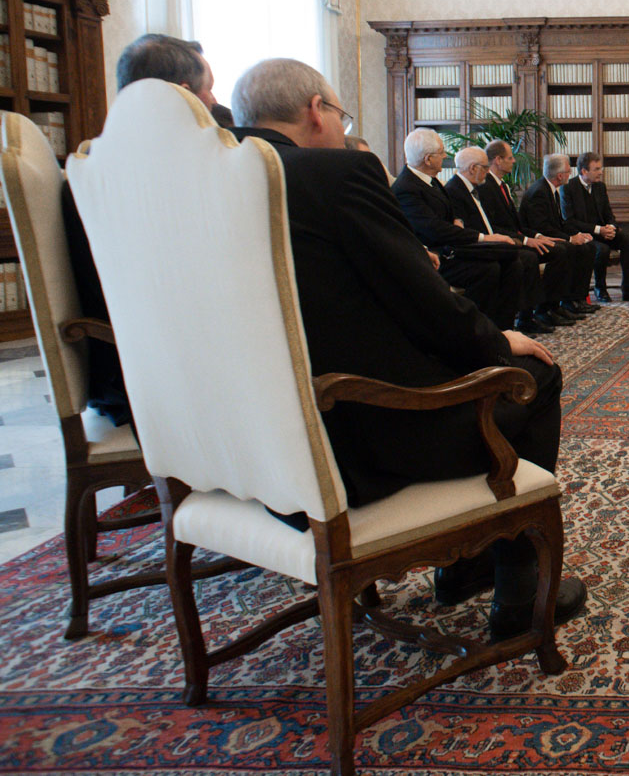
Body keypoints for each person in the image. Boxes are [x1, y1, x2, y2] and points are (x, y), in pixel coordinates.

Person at [230, 57, 585, 635]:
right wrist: (497, 342)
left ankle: (466, 567)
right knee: (530, 377)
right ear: (316, 112)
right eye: (341, 115)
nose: (342, 129)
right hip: (360, 438)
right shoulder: (332, 173)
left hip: (260, 447)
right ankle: (518, 588)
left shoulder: (209, 182)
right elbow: (424, 300)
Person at [64, 34, 219, 430]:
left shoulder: (91, 168)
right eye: (209, 91)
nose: (215, 104)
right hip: (157, 384)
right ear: (181, 96)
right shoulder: (170, 180)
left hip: (118, 368)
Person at [390, 128, 528, 331]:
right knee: (488, 269)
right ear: (428, 159)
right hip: (433, 256)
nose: (446, 156)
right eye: (441, 152)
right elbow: (433, 229)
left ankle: (503, 329)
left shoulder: (433, 181)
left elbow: (449, 213)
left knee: (512, 262)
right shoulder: (406, 188)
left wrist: (455, 219)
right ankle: (475, 331)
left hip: (452, 248)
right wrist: (482, 238)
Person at [444, 146, 555, 334]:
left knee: (521, 258)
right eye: (485, 168)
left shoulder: (472, 187)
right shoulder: (454, 190)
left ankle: (510, 322)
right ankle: (505, 323)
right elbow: (464, 229)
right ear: (472, 168)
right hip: (474, 247)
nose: (488, 172)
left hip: (489, 242)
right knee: (520, 259)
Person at [518, 153, 601, 321]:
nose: (571, 175)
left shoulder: (551, 189)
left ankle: (574, 299)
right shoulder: (539, 192)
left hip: (548, 236)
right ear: (560, 175)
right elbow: (541, 227)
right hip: (535, 240)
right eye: (569, 172)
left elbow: (558, 223)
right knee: (566, 250)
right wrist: (569, 239)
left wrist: (576, 235)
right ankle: (548, 307)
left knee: (587, 246)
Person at [560, 152, 629, 303]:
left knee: (627, 239)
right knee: (602, 249)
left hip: (603, 232)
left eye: (600, 168)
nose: (601, 172)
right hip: (583, 235)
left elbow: (609, 214)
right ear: (584, 171)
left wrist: (611, 227)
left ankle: (628, 289)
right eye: (597, 169)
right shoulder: (568, 188)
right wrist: (599, 230)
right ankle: (600, 288)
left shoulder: (600, 187)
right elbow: (569, 221)